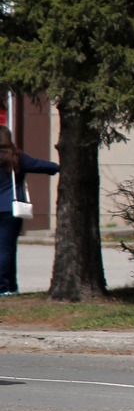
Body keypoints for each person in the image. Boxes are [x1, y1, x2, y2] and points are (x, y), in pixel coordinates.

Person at [0, 126, 59, 296]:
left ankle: (9, 286)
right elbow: (39, 165)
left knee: (5, 249)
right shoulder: (16, 157)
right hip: (10, 209)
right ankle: (6, 287)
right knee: (7, 249)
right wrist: (57, 167)